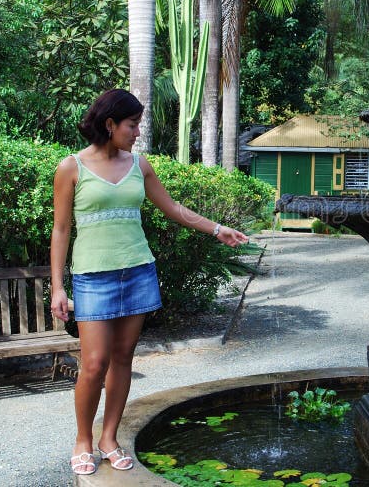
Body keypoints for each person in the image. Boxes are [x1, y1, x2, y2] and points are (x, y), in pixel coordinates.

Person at [50, 89, 248, 475]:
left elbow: (172, 208)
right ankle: (83, 440)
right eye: (132, 124)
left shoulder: (140, 165)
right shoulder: (71, 167)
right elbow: (60, 230)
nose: (137, 131)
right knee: (93, 364)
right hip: (92, 277)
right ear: (110, 124)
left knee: (123, 359)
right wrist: (58, 286)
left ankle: (109, 438)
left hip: (138, 271)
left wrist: (217, 228)